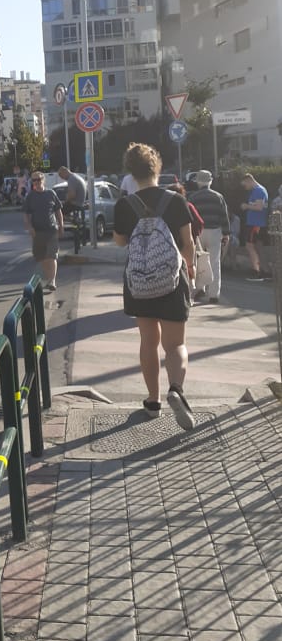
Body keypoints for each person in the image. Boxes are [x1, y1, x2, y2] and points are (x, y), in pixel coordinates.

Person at [113, 143, 195, 430]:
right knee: (176, 344)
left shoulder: (125, 205)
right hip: (172, 280)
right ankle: (176, 389)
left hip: (139, 281)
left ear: (131, 173)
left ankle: (153, 401)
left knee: (148, 341)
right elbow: (188, 243)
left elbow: (120, 241)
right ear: (157, 168)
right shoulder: (176, 200)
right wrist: (190, 270)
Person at [189, 170, 230, 304]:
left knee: (199, 261)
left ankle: (199, 289)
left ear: (198, 182)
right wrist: (226, 233)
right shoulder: (218, 196)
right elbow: (224, 216)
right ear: (210, 181)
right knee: (214, 262)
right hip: (215, 231)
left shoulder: (193, 197)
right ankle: (213, 294)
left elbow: (190, 216)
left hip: (198, 232)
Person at [22, 171, 63, 293]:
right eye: (34, 180)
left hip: (51, 230)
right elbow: (26, 214)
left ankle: (52, 281)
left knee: (52, 256)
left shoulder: (51, 193)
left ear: (43, 180)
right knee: (42, 258)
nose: (36, 182)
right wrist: (29, 227)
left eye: (38, 179)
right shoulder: (30, 196)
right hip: (37, 232)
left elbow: (58, 211)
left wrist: (61, 226)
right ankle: (49, 279)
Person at [240, 172, 269, 280]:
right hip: (257, 223)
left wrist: (246, 206)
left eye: (245, 184)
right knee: (258, 247)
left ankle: (256, 271)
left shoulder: (258, 190)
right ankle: (265, 271)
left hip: (255, 223)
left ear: (249, 180)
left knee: (249, 246)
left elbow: (259, 207)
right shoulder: (259, 190)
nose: (245, 187)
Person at [58, 165, 87, 230]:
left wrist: (66, 201)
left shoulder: (71, 179)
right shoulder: (76, 176)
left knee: (57, 210)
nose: (62, 178)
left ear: (65, 172)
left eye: (61, 176)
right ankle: (73, 220)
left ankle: (72, 220)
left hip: (75, 203)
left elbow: (72, 195)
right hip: (80, 202)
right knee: (62, 206)